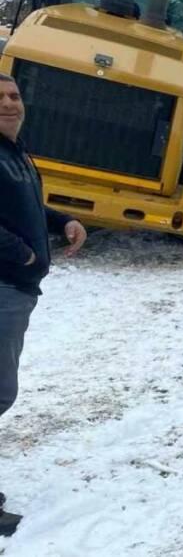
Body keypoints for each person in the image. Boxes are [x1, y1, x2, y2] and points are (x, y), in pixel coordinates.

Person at [0, 73, 87, 535]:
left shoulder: (15, 153)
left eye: (14, 96)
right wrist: (26, 256)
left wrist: (63, 221)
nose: (9, 104)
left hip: (15, 290)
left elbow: (25, 208)